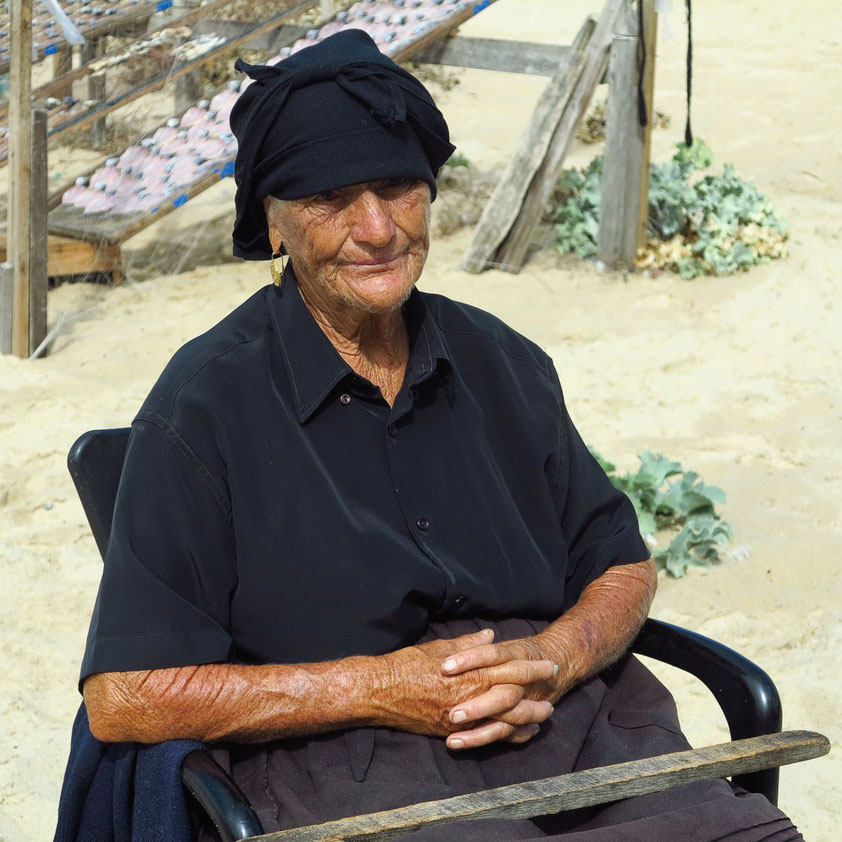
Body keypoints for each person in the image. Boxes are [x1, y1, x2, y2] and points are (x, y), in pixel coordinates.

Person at [75, 31, 803, 841]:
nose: (378, 228)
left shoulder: (500, 358)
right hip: (350, 765)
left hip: (585, 733)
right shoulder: (205, 404)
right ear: (273, 226)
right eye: (330, 199)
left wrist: (557, 657)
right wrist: (379, 687)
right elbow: (125, 695)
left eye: (397, 187)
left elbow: (621, 563)